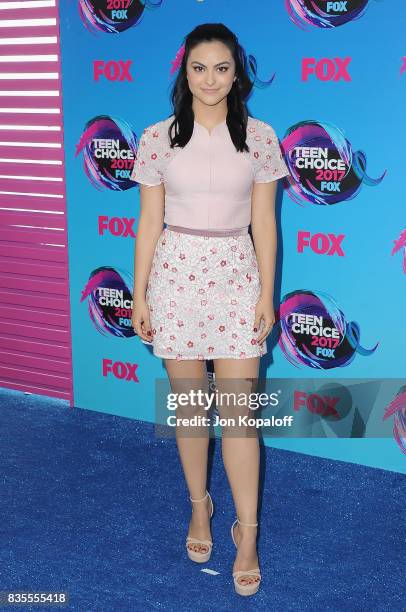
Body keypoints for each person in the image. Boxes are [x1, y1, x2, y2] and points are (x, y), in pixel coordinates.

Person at [130, 23, 290, 597]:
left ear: (237, 73)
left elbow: (265, 225)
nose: (211, 79)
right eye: (200, 67)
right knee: (192, 412)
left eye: (222, 68)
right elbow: (148, 222)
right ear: (184, 72)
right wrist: (140, 291)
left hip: (236, 278)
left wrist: (265, 293)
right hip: (175, 278)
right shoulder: (156, 139)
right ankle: (199, 507)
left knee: (240, 419)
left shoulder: (262, 138)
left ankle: (247, 533)